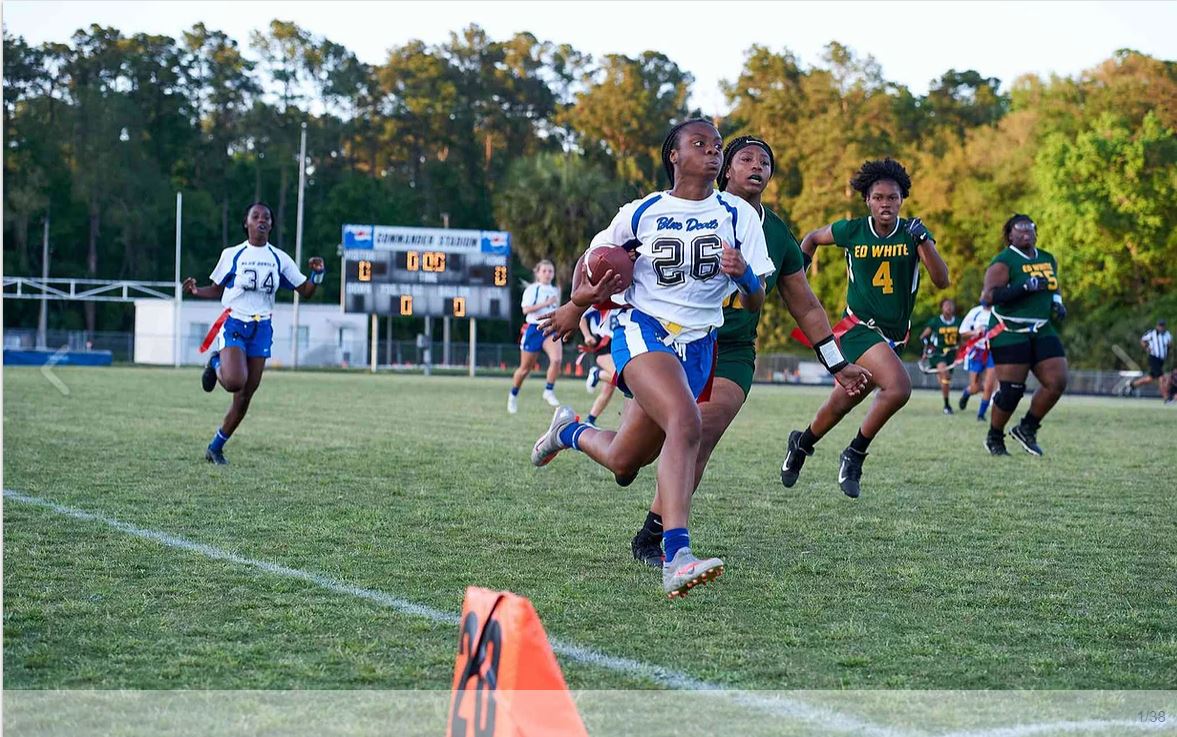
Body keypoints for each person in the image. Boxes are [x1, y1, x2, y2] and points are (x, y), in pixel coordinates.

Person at [529, 119, 778, 599]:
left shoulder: (737, 214)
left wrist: (745, 276)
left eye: (717, 146)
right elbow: (593, 267)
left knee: (626, 460)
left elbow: (757, 299)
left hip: (701, 343)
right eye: (699, 144)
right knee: (688, 422)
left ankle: (567, 431)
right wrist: (574, 305)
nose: (712, 152)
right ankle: (677, 555)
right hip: (642, 328)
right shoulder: (641, 212)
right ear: (674, 155)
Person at [628, 135, 871, 567]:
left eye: (765, 161)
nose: (756, 166)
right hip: (670, 343)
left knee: (698, 433)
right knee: (629, 463)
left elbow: (806, 305)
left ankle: (656, 535)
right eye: (745, 158)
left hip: (731, 350)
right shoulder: (685, 210)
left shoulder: (775, 233)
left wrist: (837, 363)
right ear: (725, 168)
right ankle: (572, 433)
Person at [780, 158, 950, 498]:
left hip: (894, 336)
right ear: (867, 201)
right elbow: (813, 237)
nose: (885, 204)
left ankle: (802, 443)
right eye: (878, 197)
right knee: (899, 388)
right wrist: (800, 275)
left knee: (842, 403)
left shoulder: (913, 233)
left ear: (902, 199)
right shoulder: (852, 230)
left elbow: (942, 281)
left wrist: (925, 241)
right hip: (858, 327)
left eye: (892, 197)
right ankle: (855, 453)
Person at [182, 201, 325, 464]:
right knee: (235, 381)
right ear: (246, 223)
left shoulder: (279, 258)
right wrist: (195, 291)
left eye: (266, 217)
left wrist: (318, 275)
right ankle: (215, 362)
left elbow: (305, 291)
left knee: (246, 394)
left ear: (271, 225)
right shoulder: (233, 254)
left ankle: (215, 447)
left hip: (262, 328)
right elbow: (217, 289)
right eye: (255, 216)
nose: (261, 220)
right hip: (235, 322)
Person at [981, 214, 1068, 456]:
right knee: (1012, 391)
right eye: (1019, 231)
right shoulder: (1004, 261)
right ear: (1009, 235)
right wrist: (1023, 287)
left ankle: (1027, 427)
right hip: (1010, 329)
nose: (1025, 234)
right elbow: (988, 297)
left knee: (1057, 381)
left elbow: (1053, 284)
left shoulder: (1047, 257)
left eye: (1030, 230)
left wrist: (1057, 302)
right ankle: (994, 437)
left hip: (1041, 327)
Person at [508, 260, 562, 414]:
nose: (547, 274)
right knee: (525, 369)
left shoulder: (555, 290)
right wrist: (545, 304)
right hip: (534, 329)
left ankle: (549, 390)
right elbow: (526, 310)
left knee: (557, 359)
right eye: (544, 271)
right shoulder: (533, 289)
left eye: (550, 271)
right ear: (537, 273)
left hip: (550, 328)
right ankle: (513, 394)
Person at [919, 298, 962, 414]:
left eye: (951, 305)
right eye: (946, 305)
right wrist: (926, 350)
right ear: (942, 308)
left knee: (946, 378)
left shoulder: (958, 322)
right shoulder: (936, 321)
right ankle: (947, 405)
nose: (949, 307)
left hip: (951, 353)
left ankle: (944, 388)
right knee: (945, 374)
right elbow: (923, 337)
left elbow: (962, 338)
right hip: (938, 352)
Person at [579, 306, 619, 428]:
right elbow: (581, 318)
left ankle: (590, 420)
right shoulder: (601, 297)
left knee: (609, 388)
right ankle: (597, 373)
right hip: (603, 341)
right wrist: (587, 336)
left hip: (619, 341)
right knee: (620, 376)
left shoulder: (628, 295)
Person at [957, 298, 997, 421]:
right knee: (975, 387)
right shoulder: (976, 312)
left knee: (989, 385)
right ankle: (967, 393)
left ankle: (981, 414)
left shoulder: (998, 311)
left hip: (993, 351)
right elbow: (962, 332)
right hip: (977, 351)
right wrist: (975, 332)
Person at [1128, 319, 1171, 400]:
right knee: (1162, 377)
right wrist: (1147, 348)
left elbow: (1169, 344)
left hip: (1161, 360)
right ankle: (1166, 398)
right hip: (1153, 358)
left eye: (1162, 326)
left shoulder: (1167, 334)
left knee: (1150, 379)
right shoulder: (1152, 333)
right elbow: (1142, 340)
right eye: (1160, 326)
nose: (1161, 327)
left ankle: (1132, 385)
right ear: (1157, 326)